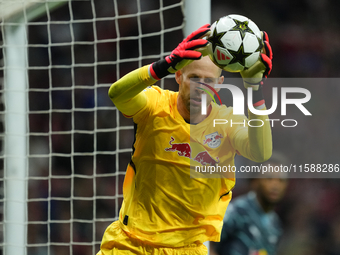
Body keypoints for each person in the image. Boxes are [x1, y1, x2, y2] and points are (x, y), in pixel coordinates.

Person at [97, 24, 273, 255]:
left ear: (219, 84)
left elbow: (261, 153)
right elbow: (116, 94)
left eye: (208, 81)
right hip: (130, 243)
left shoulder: (227, 121)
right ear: (178, 76)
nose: (201, 87)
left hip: (187, 248)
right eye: (194, 78)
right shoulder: (155, 104)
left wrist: (255, 90)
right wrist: (162, 66)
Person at [211, 153, 289, 255]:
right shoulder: (236, 212)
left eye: (281, 180)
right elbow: (208, 242)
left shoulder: (275, 225)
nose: (276, 185)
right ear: (255, 181)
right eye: (269, 178)